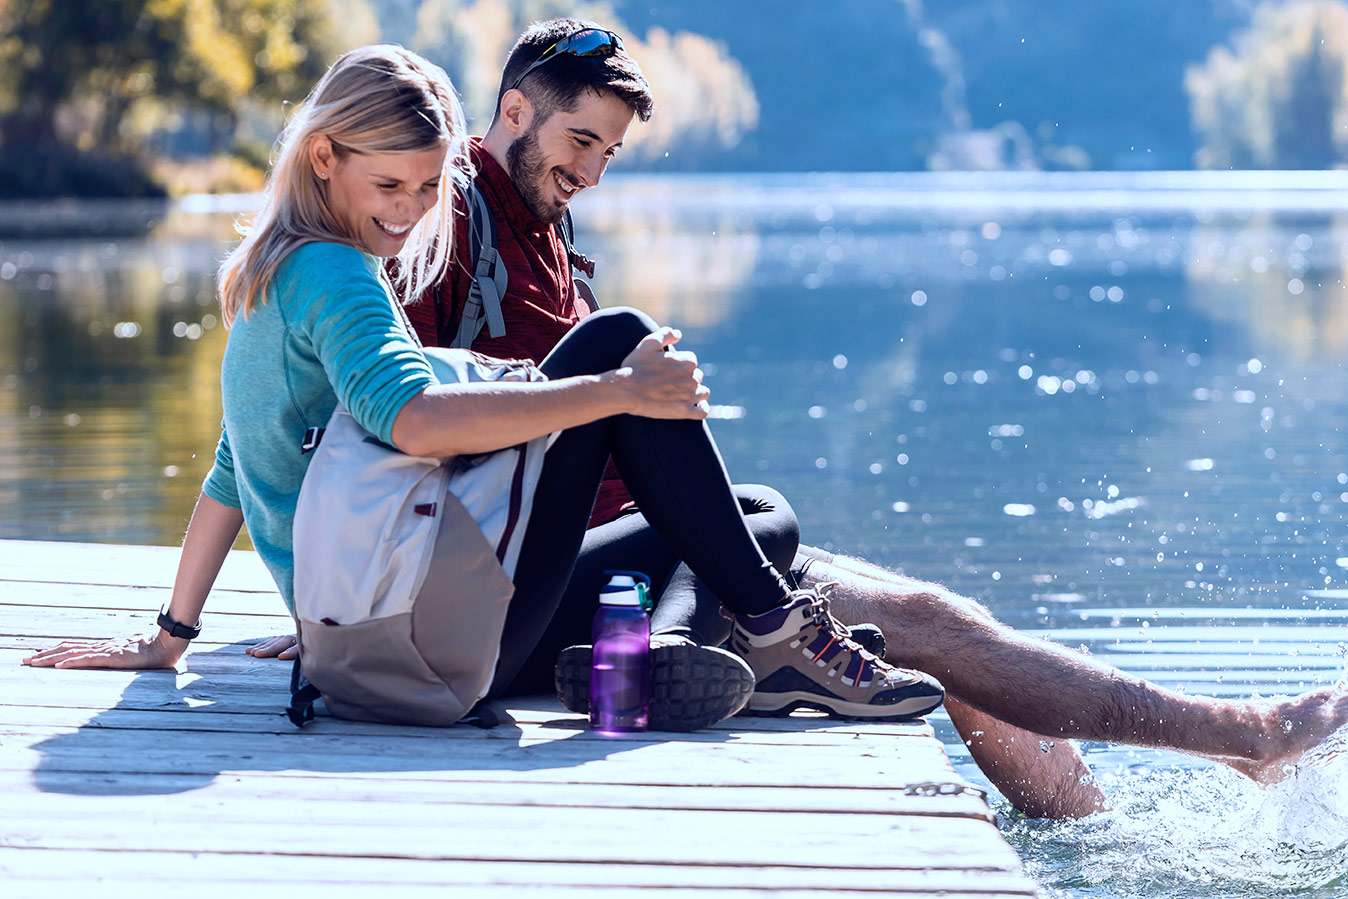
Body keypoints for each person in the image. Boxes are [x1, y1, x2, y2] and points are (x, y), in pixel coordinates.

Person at [383, 18, 1348, 818]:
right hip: (527, 583)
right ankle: (1242, 736)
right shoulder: (447, 219)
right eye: (580, 142)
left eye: (610, 151)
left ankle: (1097, 830)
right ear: (515, 110)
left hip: (634, 558)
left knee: (925, 609)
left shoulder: (543, 225)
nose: (593, 171)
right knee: (928, 626)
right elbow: (392, 416)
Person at [22, 44, 945, 737]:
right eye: (390, 184)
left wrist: (173, 635)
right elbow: (416, 421)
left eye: (430, 188)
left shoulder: (270, 272)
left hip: (372, 634)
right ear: (323, 159)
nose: (410, 211)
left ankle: (693, 643)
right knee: (627, 355)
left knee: (751, 510)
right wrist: (615, 390)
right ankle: (767, 632)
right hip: (429, 646)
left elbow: (234, 468)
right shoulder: (337, 275)